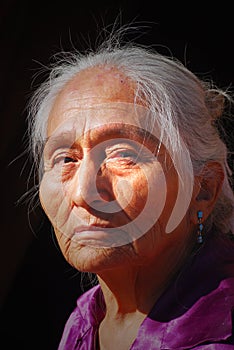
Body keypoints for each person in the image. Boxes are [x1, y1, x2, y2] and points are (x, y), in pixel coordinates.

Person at [27, 28, 234, 349]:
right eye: (66, 158)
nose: (83, 193)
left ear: (203, 189)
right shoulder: (85, 322)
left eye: (123, 155)